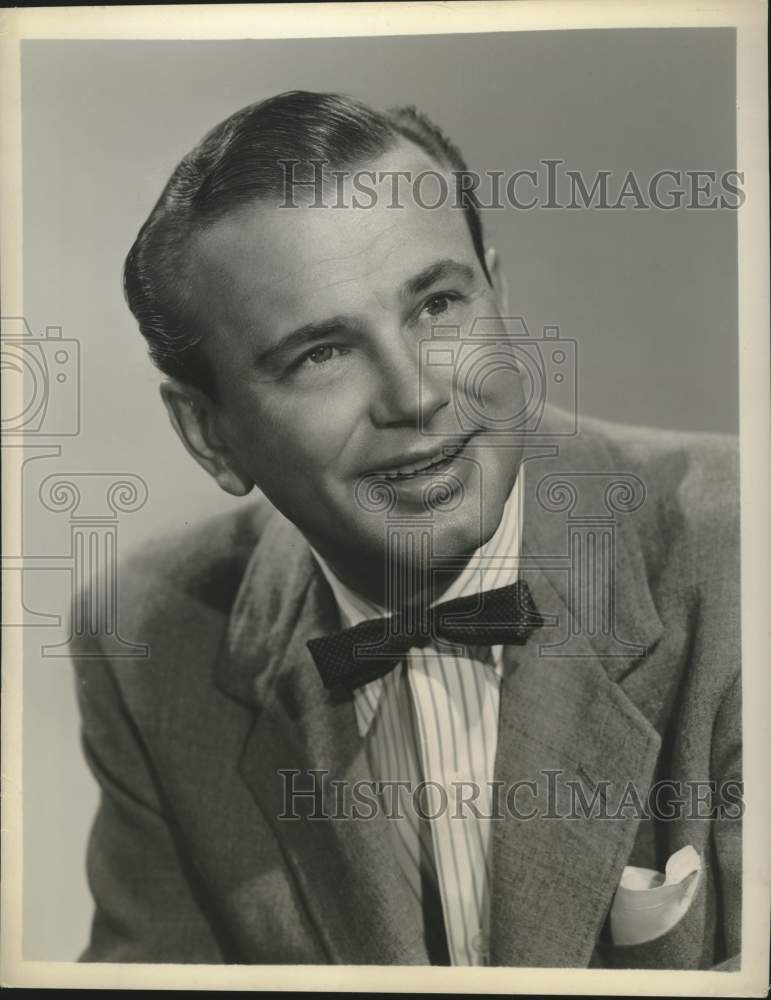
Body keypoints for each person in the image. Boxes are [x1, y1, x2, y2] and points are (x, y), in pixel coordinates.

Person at [71, 91, 741, 968]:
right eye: (320, 353)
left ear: (498, 294)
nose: (416, 395)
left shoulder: (743, 553)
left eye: (436, 306)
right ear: (209, 436)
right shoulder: (150, 640)